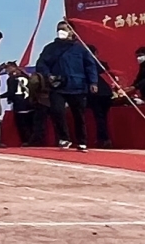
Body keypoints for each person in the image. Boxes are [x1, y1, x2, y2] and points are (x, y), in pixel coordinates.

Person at [35, 22, 99, 151]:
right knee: (57, 111)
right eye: (59, 29)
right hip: (58, 86)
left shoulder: (81, 49)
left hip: (77, 86)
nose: (61, 31)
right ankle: (64, 138)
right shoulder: (50, 48)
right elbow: (41, 64)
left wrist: (93, 82)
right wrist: (48, 75)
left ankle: (82, 141)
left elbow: (90, 66)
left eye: (64, 29)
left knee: (78, 115)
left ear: (72, 32)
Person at [5, 62, 42, 147]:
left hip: (19, 105)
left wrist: (5, 98)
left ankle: (26, 141)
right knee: (31, 124)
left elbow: (11, 92)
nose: (7, 70)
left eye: (8, 68)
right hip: (30, 104)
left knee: (22, 125)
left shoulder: (11, 79)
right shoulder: (27, 76)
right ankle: (33, 141)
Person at [86, 46, 115, 148]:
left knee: (99, 117)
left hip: (96, 93)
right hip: (106, 93)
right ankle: (103, 138)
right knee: (103, 117)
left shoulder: (87, 64)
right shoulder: (102, 64)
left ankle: (103, 139)